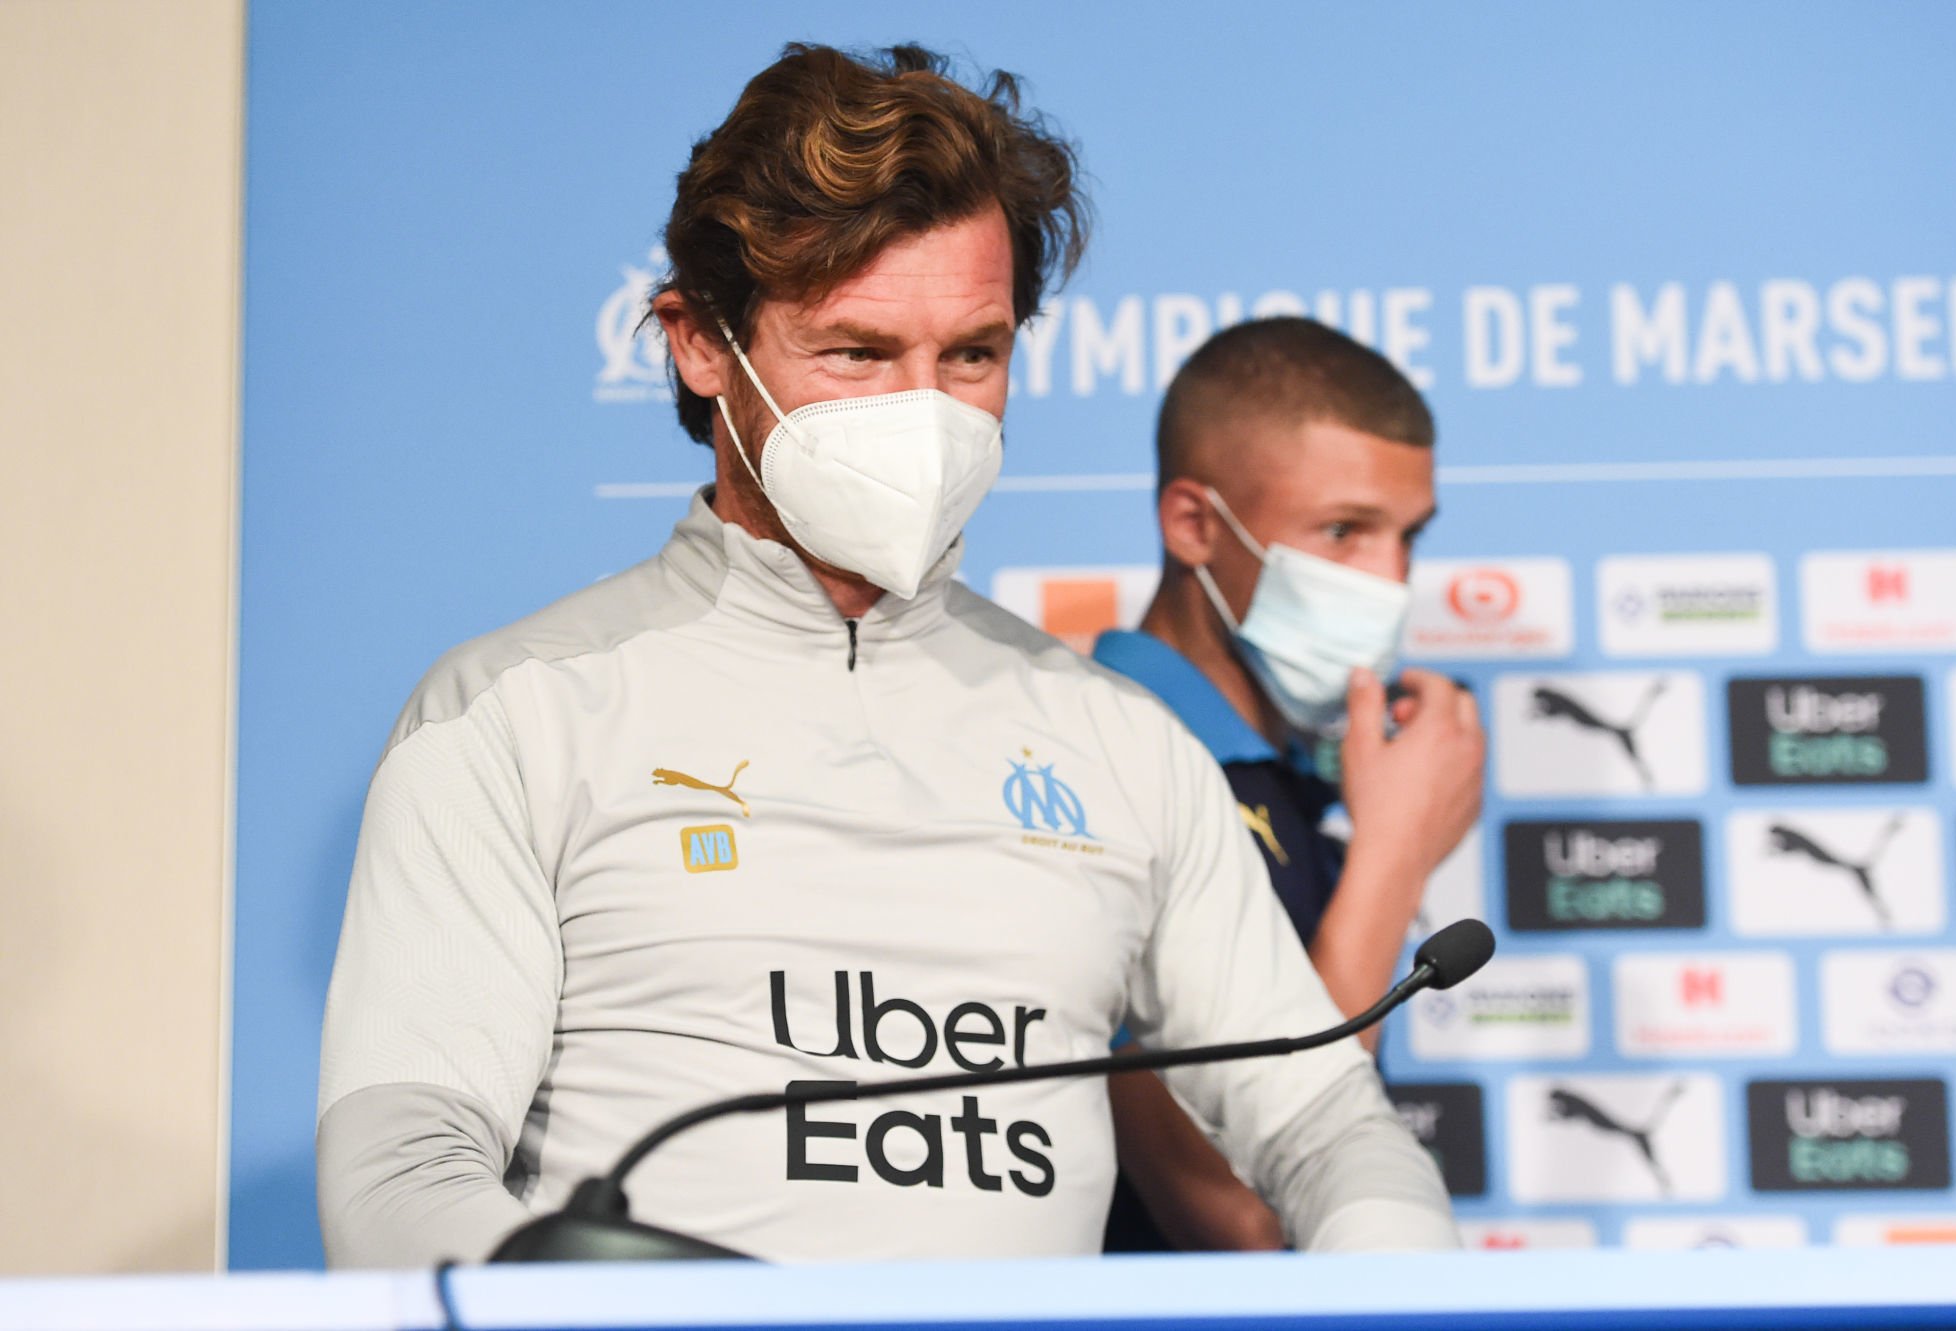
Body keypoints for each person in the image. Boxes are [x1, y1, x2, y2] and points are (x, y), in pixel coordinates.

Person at [316, 45, 1454, 1268]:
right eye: (857, 353)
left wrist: (1393, 1268)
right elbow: (401, 1172)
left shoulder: (1119, 741)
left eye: (971, 354)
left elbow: (1332, 1120)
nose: (926, 412)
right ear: (701, 344)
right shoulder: (512, 712)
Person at [1095, 317, 1485, 1251]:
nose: (1390, 582)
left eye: (1408, 538)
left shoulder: (1292, 774)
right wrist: (1393, 853)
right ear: (1194, 524)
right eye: (1345, 531)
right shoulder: (1099, 766)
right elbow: (1236, 1210)